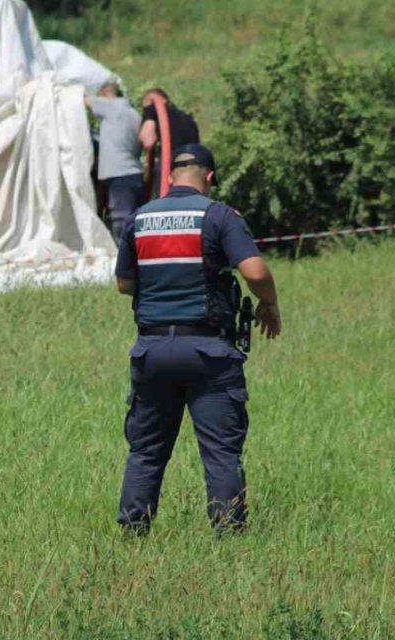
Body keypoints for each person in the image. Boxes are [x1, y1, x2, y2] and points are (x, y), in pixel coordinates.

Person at [113, 143, 281, 534]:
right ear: (210, 177)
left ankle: (133, 535)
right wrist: (269, 304)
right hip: (209, 352)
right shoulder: (219, 215)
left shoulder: (139, 218)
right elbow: (255, 272)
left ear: (170, 177)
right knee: (221, 453)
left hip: (151, 350)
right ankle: (229, 536)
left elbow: (124, 284)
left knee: (146, 452)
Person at [86, 81, 144, 241]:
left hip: (119, 174)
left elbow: (81, 99)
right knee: (134, 221)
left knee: (122, 221)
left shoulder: (111, 107)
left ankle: (126, 260)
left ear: (105, 95)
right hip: (135, 173)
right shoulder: (134, 114)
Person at [138, 88, 201, 197]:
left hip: (169, 172)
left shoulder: (153, 109)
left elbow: (148, 141)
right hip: (193, 173)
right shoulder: (187, 118)